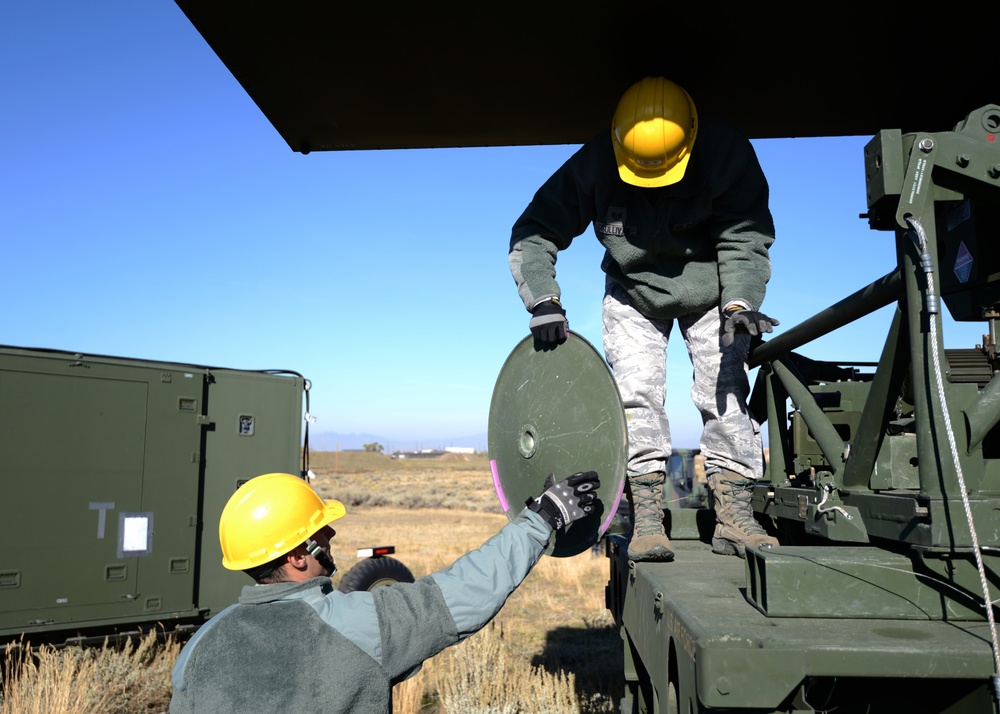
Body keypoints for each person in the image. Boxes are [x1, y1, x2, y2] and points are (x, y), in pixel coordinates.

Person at [508, 76, 779, 562]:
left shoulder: (727, 154)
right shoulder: (593, 164)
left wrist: (740, 303)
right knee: (635, 397)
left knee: (728, 392)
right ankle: (648, 517)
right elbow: (534, 231)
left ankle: (735, 515)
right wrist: (543, 301)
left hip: (712, 290)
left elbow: (745, 239)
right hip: (633, 292)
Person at [169, 469, 600, 714]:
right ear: (299, 556)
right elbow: (463, 593)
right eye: (321, 531)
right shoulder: (354, 626)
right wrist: (541, 519)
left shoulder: (201, 646)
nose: (333, 532)